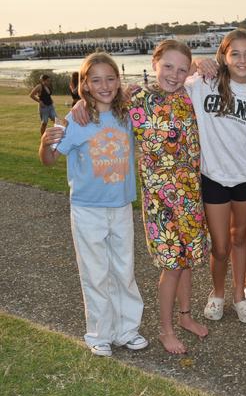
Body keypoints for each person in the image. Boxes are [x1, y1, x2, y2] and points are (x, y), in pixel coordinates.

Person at [71, 41, 210, 354]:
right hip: (161, 199)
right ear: (154, 63)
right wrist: (80, 103)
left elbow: (206, 72)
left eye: (182, 68)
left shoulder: (187, 95)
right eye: (168, 67)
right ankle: (165, 330)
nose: (174, 75)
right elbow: (98, 94)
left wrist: (201, 62)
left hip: (190, 193)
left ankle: (186, 316)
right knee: (172, 265)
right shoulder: (134, 97)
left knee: (187, 260)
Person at [38, 52, 147, 357]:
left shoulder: (127, 112)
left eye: (110, 78)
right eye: (96, 80)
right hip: (88, 209)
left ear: (118, 81)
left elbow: (161, 82)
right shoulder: (77, 118)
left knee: (124, 270)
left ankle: (127, 330)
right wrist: (45, 142)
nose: (104, 85)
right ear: (84, 84)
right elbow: (49, 160)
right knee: (96, 272)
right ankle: (99, 332)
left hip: (121, 206)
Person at [185, 29, 246, 324]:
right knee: (220, 245)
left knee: (240, 237)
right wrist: (197, 61)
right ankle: (217, 293)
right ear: (224, 56)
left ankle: (239, 295)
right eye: (235, 54)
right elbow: (170, 78)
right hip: (215, 177)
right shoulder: (204, 85)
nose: (242, 60)